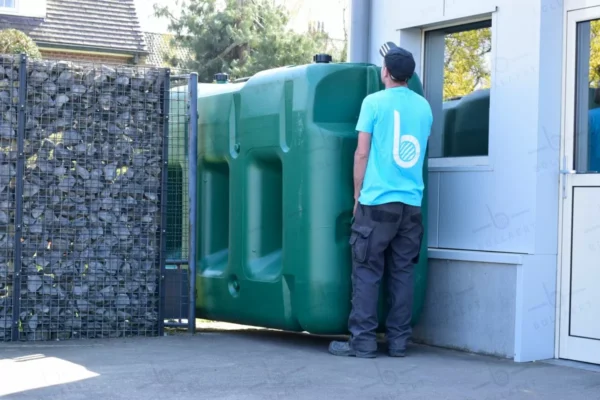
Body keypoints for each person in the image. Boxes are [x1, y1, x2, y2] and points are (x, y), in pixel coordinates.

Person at [328, 42, 433, 358]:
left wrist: (358, 194)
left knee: (367, 270)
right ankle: (399, 342)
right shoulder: (424, 107)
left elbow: (362, 152)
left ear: (385, 72)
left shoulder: (373, 102)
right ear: (410, 76)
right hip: (411, 204)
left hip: (377, 204)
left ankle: (363, 342)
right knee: (402, 273)